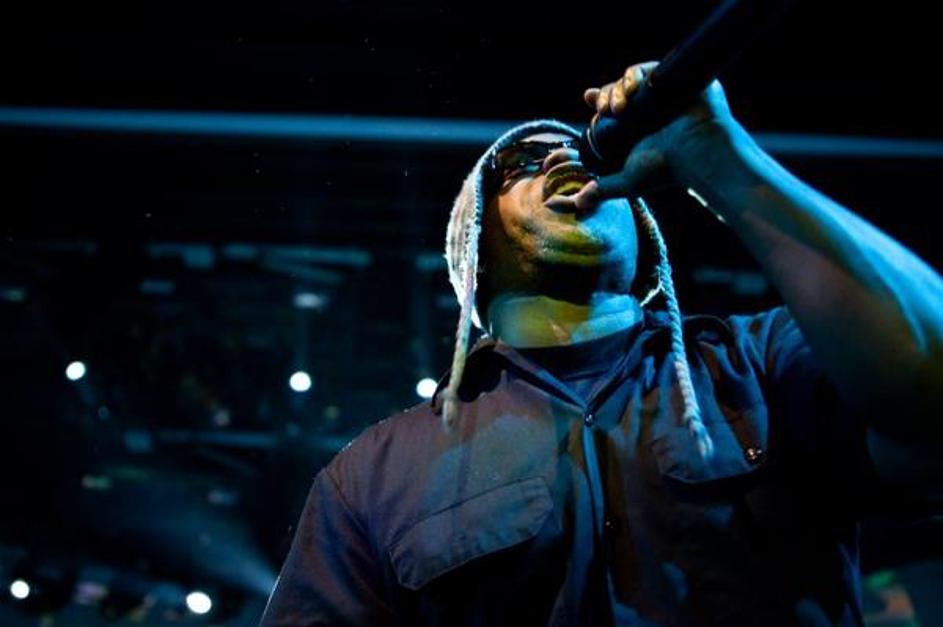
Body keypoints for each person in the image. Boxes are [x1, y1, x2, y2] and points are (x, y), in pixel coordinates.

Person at [259, 62, 943, 626]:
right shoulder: (371, 477)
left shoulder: (761, 363)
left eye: (589, 155)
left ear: (643, 239)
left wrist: (723, 159)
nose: (564, 157)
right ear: (470, 254)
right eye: (521, 164)